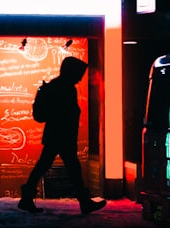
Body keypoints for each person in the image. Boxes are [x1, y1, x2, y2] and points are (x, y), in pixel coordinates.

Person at [18, 56, 107, 214]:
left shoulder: (56, 85)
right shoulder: (66, 88)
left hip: (55, 135)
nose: (80, 77)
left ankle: (27, 197)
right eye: (79, 73)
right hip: (63, 136)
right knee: (72, 169)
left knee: (46, 166)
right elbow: (67, 114)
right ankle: (84, 202)